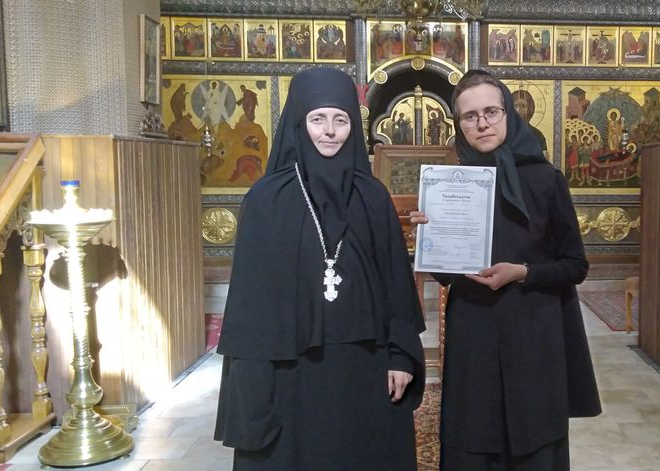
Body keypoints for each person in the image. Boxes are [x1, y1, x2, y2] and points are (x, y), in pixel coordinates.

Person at [214, 67, 426, 470]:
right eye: (318, 119)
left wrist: (400, 355)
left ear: (354, 126)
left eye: (340, 119)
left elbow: (396, 285)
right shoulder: (265, 200)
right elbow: (250, 305)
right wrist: (253, 384)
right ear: (299, 122)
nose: (330, 131)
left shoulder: (373, 196)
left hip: (364, 367)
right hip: (291, 371)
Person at [411, 70, 601, 470]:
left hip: (533, 330)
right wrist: (431, 240)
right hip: (474, 330)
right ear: (459, 125)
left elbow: (575, 265)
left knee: (534, 440)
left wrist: (523, 272)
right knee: (473, 435)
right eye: (470, 116)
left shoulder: (546, 179)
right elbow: (447, 276)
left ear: (509, 113)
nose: (482, 123)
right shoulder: (453, 183)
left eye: (491, 112)